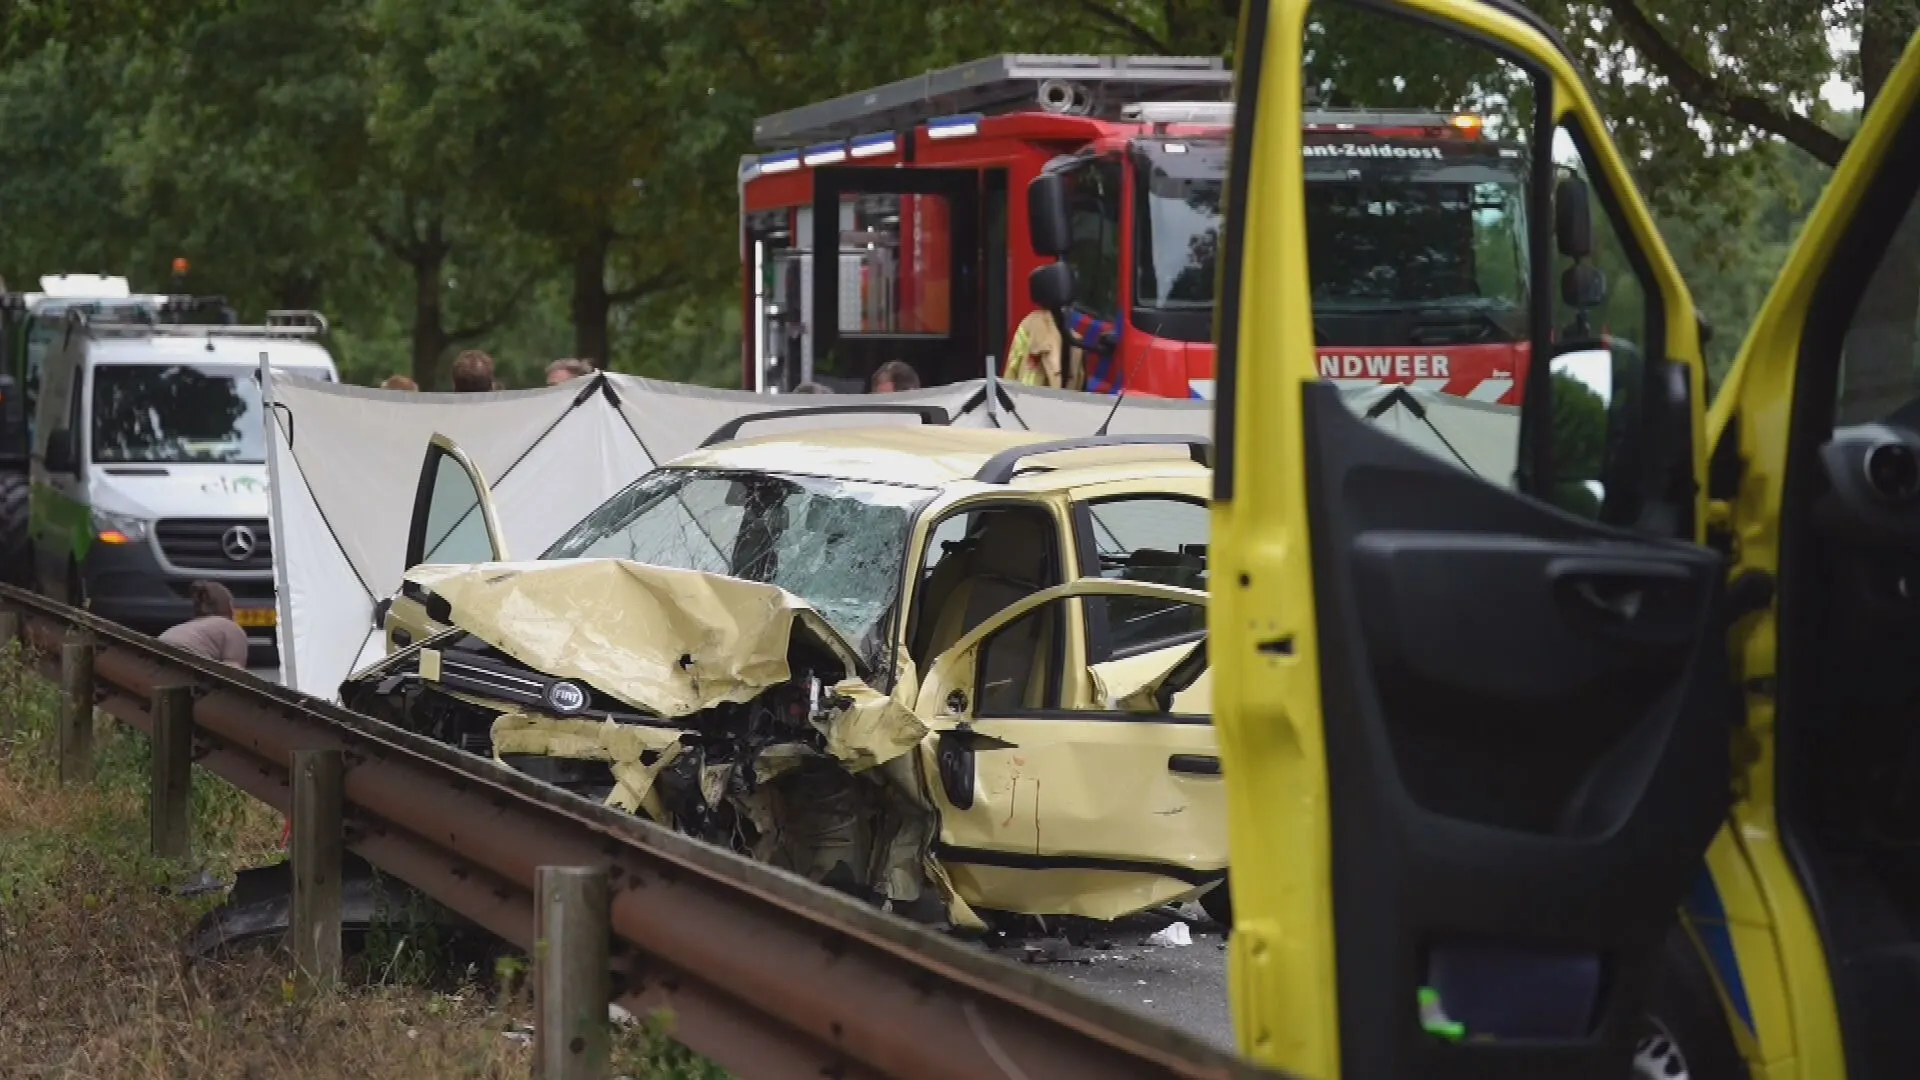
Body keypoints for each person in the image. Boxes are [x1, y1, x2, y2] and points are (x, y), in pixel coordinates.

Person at [157, 581, 250, 666]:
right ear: (228, 606)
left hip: (157, 653)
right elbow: (234, 670)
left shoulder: (192, 625)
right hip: (187, 658)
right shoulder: (231, 628)